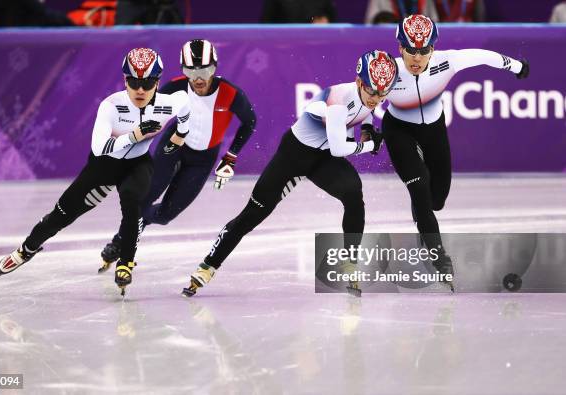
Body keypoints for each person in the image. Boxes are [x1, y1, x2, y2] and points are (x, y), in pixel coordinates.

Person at [181, 50, 399, 297]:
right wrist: (372, 145)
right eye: (372, 91)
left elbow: (364, 112)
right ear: (359, 82)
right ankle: (208, 264)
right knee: (253, 214)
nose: (376, 98)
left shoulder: (368, 94)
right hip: (294, 155)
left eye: (383, 93)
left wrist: (368, 129)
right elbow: (340, 149)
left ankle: (350, 263)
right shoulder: (337, 101)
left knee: (353, 194)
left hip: (323, 159)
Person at [0, 48, 191, 296]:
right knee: (62, 214)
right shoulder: (111, 106)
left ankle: (126, 261)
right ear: (124, 79)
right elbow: (100, 147)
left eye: (148, 83)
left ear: (158, 82)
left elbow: (186, 108)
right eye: (134, 81)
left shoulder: (170, 102)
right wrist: (135, 135)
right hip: (103, 166)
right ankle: (26, 249)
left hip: (137, 164)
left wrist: (180, 136)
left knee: (132, 202)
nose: (140, 89)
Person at [382, 14, 529, 290]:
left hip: (433, 130)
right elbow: (360, 93)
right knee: (420, 187)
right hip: (398, 130)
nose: (417, 57)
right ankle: (439, 257)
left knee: (437, 200)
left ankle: (422, 205)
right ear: (400, 48)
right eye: (410, 50)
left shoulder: (447, 61)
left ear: (433, 50)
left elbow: (484, 56)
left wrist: (516, 66)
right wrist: (367, 130)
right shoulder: (387, 70)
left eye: (424, 50)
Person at [98, 39, 256, 272]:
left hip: (203, 160)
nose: (199, 78)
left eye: (205, 70)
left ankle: (140, 222)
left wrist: (230, 157)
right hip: (173, 146)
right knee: (144, 197)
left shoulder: (231, 94)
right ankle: (120, 242)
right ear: (183, 70)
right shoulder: (176, 87)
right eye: (191, 71)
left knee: (164, 215)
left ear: (215, 67)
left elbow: (250, 122)